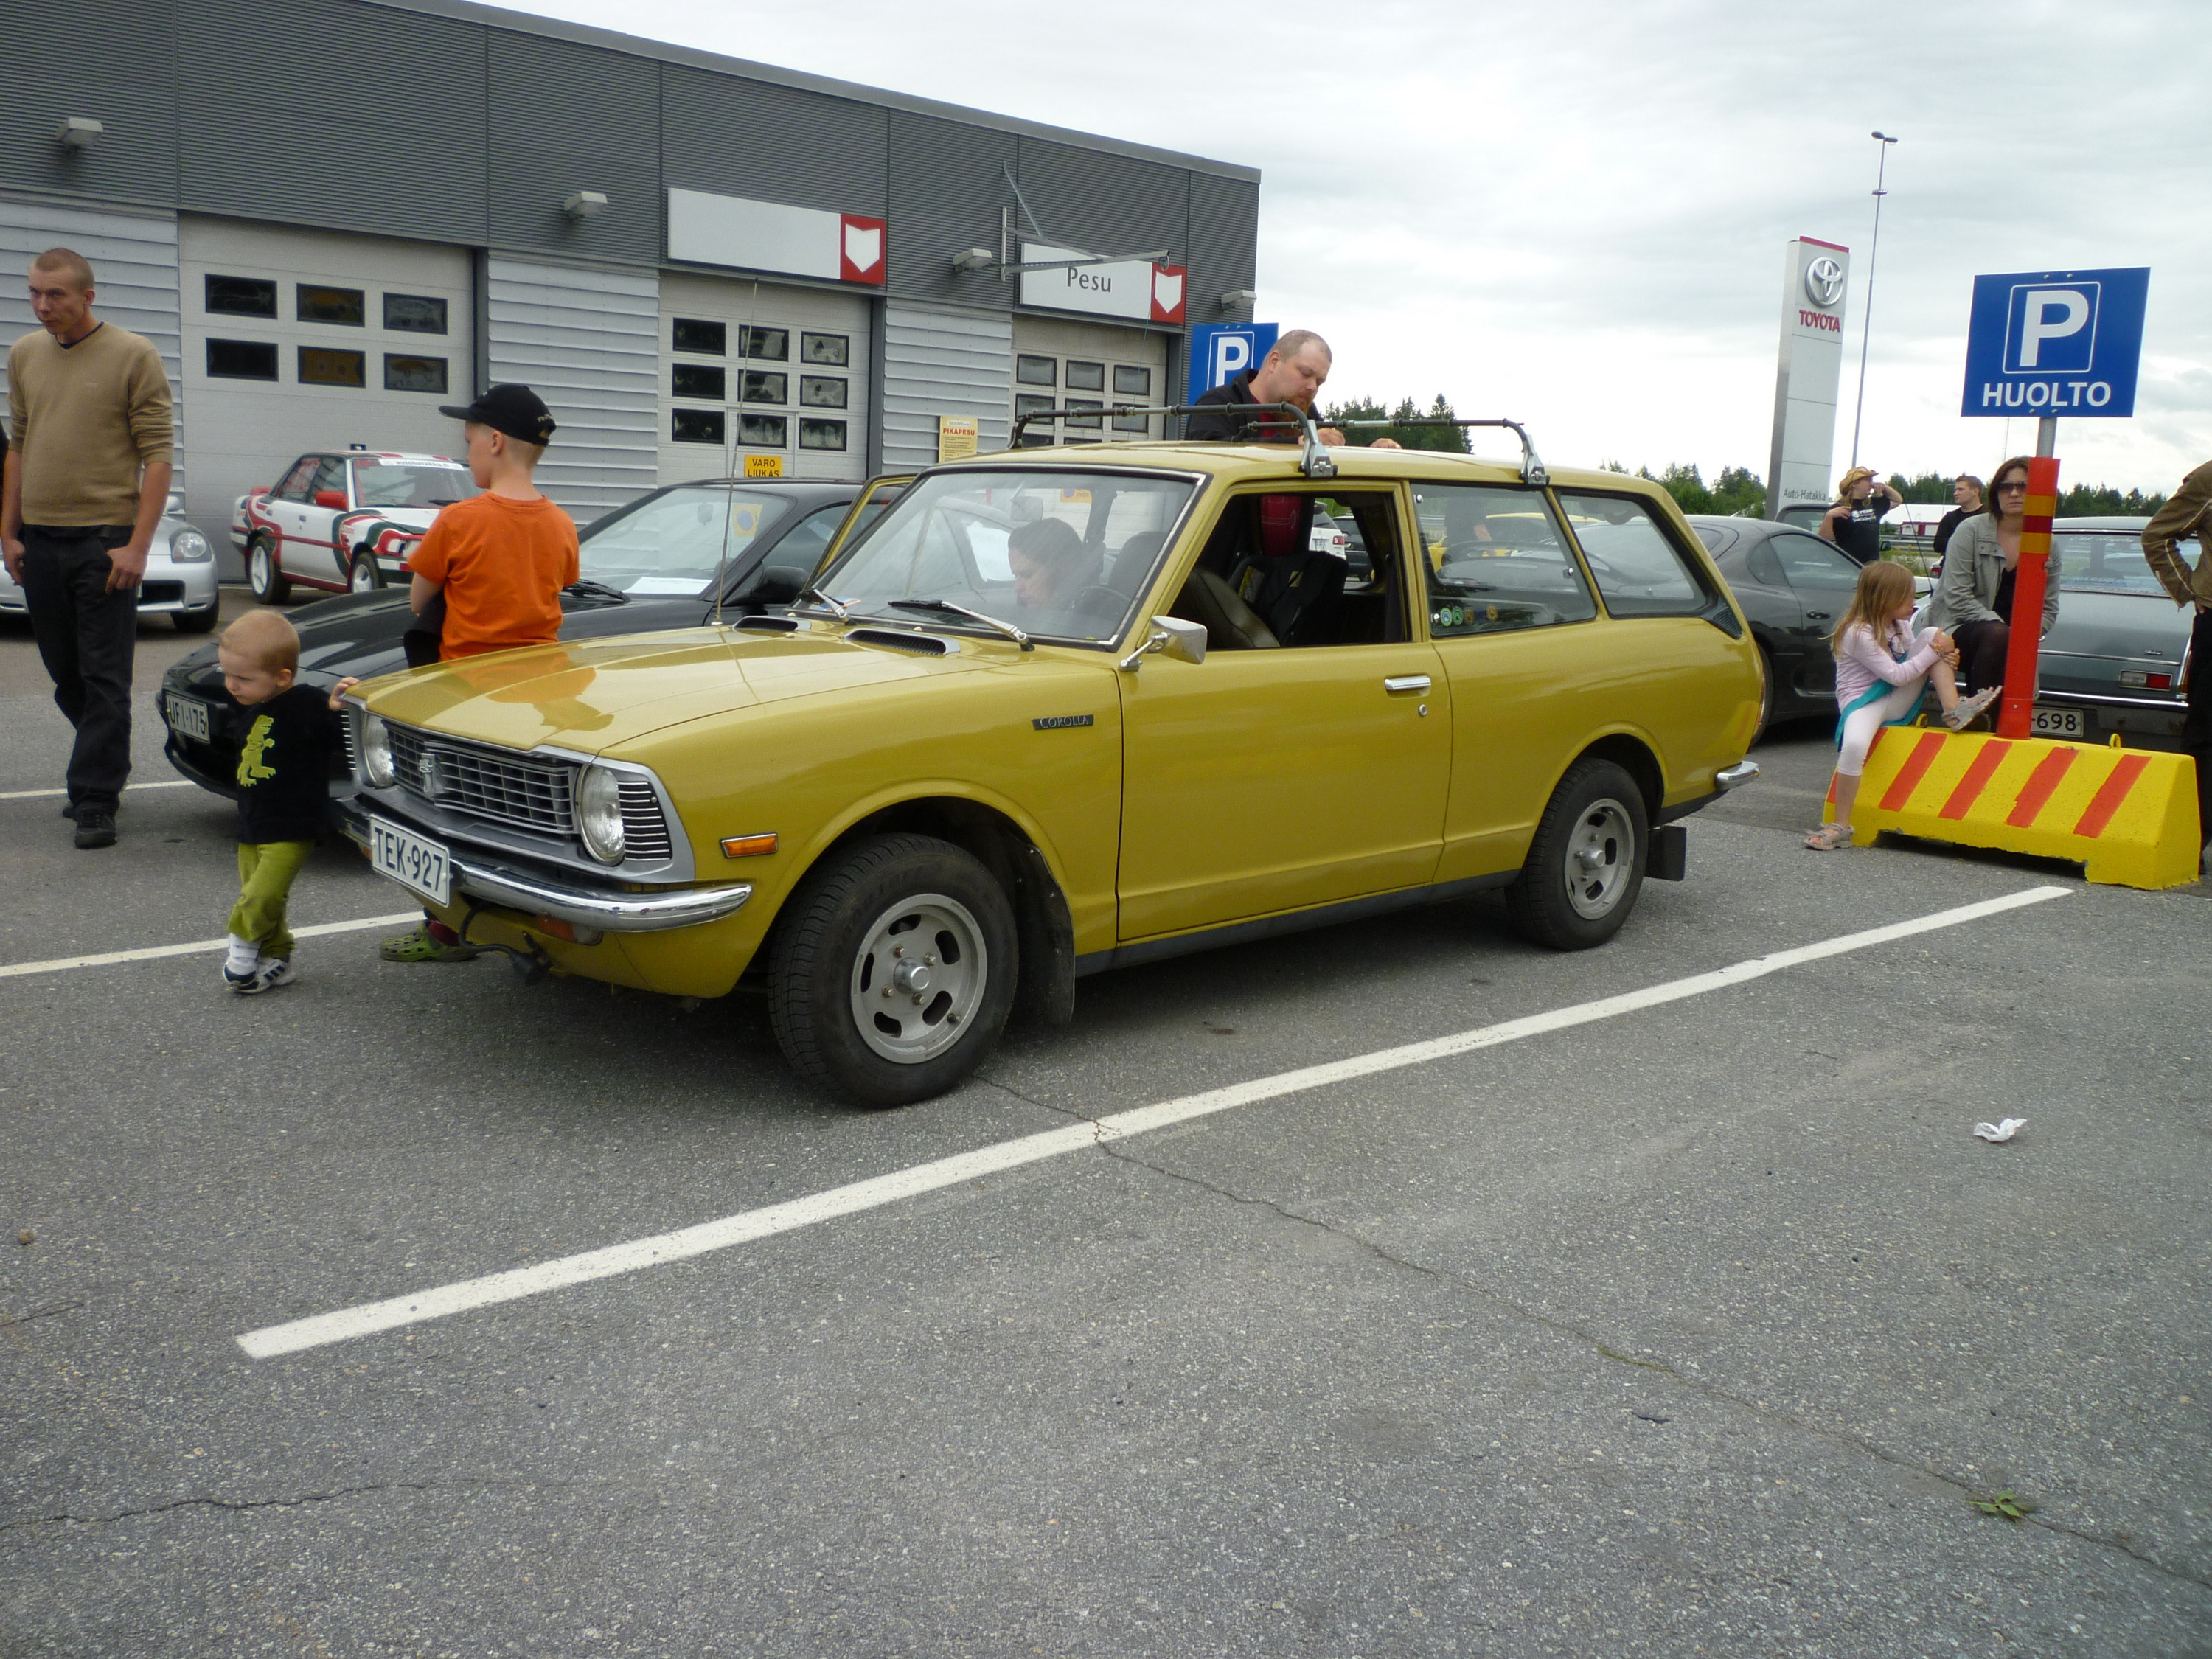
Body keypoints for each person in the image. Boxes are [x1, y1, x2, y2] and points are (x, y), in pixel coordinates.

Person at [381, 383, 580, 965]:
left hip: (464, 699)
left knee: (445, 817)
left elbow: (420, 599)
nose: (466, 454)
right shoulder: (562, 524)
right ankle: (530, 923)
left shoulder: (459, 520)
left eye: (468, 443)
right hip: (539, 695)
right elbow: (560, 585)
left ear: (494, 442)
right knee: (522, 818)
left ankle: (445, 930)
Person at [0, 247, 175, 849]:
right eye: (35, 294)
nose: (44, 306)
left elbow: (157, 456)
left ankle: (96, 798)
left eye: (57, 295)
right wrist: (9, 531)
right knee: (64, 674)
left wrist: (137, 546)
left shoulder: (134, 354)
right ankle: (100, 760)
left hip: (105, 541)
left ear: (87, 297)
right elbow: (19, 445)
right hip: (41, 541)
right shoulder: (24, 355)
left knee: (105, 678)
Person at [1806, 560, 2001, 851]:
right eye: (1907, 597)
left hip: (1892, 700)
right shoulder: (1857, 632)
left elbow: (1918, 659)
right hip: (1863, 703)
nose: (1914, 603)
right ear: (1884, 599)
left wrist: (1943, 656)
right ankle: (1841, 824)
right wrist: (1937, 652)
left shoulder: (1898, 625)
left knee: (1931, 632)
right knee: (1855, 746)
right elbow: (1898, 675)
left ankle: (1953, 709)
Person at [215, 611, 359, 992]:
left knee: (262, 894)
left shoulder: (305, 702)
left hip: (292, 824)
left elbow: (337, 739)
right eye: (226, 674)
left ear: (282, 677)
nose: (231, 685)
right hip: (252, 819)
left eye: (243, 678)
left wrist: (337, 708)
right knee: (259, 893)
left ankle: (242, 945)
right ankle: (277, 956)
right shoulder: (246, 703)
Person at [1926, 454, 2059, 698]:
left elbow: (2049, 607)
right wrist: (2001, 627)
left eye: (2023, 486)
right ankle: (1977, 717)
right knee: (1996, 635)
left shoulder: (2048, 543)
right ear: (1995, 493)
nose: (2014, 493)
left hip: (2015, 640)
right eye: (2006, 487)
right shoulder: (1970, 531)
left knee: (2012, 698)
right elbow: (1956, 595)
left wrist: (2025, 634)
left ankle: (1996, 723)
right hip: (1958, 630)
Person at [2140, 458, 2211, 867]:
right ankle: (2193, 836)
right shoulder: (2209, 478)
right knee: (2205, 732)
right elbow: (2158, 535)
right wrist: (2191, 591)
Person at [1183, 331, 1399, 450]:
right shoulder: (1221, 404)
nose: (1313, 387)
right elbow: (1210, 453)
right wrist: (1297, 444)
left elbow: (1337, 466)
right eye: (1306, 374)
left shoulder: (1309, 417)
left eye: (1320, 382)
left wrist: (1371, 450)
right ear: (1275, 361)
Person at [1006, 516, 1098, 616]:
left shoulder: (1093, 625)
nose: (1017, 587)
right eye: (1016, 576)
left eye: (1027, 575)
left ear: (1063, 572)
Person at [1819, 467, 1902, 565]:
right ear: (1854, 484)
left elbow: (1897, 500)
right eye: (1867, 480)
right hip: (1846, 565)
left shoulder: (1875, 503)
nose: (1871, 484)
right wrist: (1829, 516)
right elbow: (1823, 541)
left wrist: (1885, 488)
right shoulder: (1837, 508)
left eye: (1871, 480)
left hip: (1871, 567)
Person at [1932, 473, 1984, 560]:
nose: (1956, 493)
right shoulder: (1950, 517)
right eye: (1955, 490)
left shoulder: (1990, 516)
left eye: (1961, 490)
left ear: (1975, 492)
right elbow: (1938, 546)